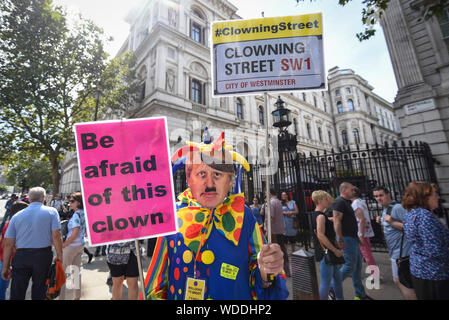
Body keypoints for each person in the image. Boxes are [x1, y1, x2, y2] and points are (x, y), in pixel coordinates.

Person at [143, 132, 288, 300]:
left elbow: (263, 278)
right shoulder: (172, 216)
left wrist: (266, 271)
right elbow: (155, 286)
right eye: (202, 174)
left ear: (230, 182)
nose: (209, 184)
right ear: (189, 179)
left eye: (217, 175)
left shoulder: (244, 216)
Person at [1, 187, 63, 300]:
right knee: (39, 289)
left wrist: (6, 266)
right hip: (42, 256)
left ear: (29, 199)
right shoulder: (51, 212)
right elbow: (56, 235)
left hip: (21, 256)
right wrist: (59, 255)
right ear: (43, 198)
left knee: (17, 290)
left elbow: (8, 243)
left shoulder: (16, 216)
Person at [402, 182, 449, 300]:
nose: (438, 197)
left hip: (420, 269)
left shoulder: (411, 213)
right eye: (435, 194)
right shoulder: (424, 217)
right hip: (434, 273)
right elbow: (434, 250)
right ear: (424, 198)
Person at [373, 186, 416, 300]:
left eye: (381, 195)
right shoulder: (386, 208)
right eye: (376, 196)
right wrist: (383, 222)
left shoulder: (397, 208)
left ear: (388, 195)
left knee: (401, 281)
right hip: (395, 252)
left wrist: (391, 222)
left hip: (403, 252)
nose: (378, 198)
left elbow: (411, 228)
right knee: (399, 280)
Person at [332, 182, 372, 300]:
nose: (354, 191)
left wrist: (358, 237)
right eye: (351, 189)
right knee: (350, 266)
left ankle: (360, 294)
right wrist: (339, 238)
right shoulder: (339, 202)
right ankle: (331, 288)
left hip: (352, 238)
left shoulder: (348, 202)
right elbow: (337, 221)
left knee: (357, 266)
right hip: (346, 238)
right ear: (344, 190)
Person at [311, 190, 344, 300]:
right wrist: (335, 250)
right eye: (326, 199)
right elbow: (321, 235)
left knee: (337, 279)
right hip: (326, 252)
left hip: (327, 251)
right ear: (319, 201)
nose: (328, 201)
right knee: (326, 282)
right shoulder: (320, 216)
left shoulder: (318, 215)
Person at [59, 192, 86, 300]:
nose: (69, 203)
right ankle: (77, 296)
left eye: (72, 201)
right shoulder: (84, 213)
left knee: (61, 274)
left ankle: (61, 297)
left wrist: (64, 244)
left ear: (78, 202)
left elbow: (74, 232)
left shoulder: (76, 215)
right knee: (76, 272)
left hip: (71, 246)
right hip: (80, 246)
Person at [0, 201, 29, 300]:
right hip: (6, 260)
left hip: (12, 260)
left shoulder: (17, 222)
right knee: (2, 287)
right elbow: (6, 244)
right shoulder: (11, 224)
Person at [351, 187, 377, 275]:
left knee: (367, 255)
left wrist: (361, 235)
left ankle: (375, 275)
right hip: (363, 231)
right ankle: (354, 270)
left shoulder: (356, 203)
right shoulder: (360, 201)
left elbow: (361, 220)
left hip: (361, 232)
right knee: (361, 253)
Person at [278, 191, 299, 277]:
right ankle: (286, 254)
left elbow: (297, 211)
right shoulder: (280, 203)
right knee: (285, 240)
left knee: (293, 240)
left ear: (287, 195)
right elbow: (278, 212)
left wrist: (290, 213)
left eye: (285, 194)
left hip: (292, 223)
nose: (284, 196)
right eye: (282, 195)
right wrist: (286, 213)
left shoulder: (292, 202)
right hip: (284, 223)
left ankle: (293, 253)